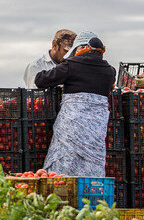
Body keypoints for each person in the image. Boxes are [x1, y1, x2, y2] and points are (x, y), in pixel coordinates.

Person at [34, 31, 116, 177]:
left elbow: (41, 80)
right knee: (91, 169)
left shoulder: (72, 65)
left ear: (80, 48)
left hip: (71, 129)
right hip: (95, 134)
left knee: (64, 167)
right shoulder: (110, 71)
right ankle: (92, 195)